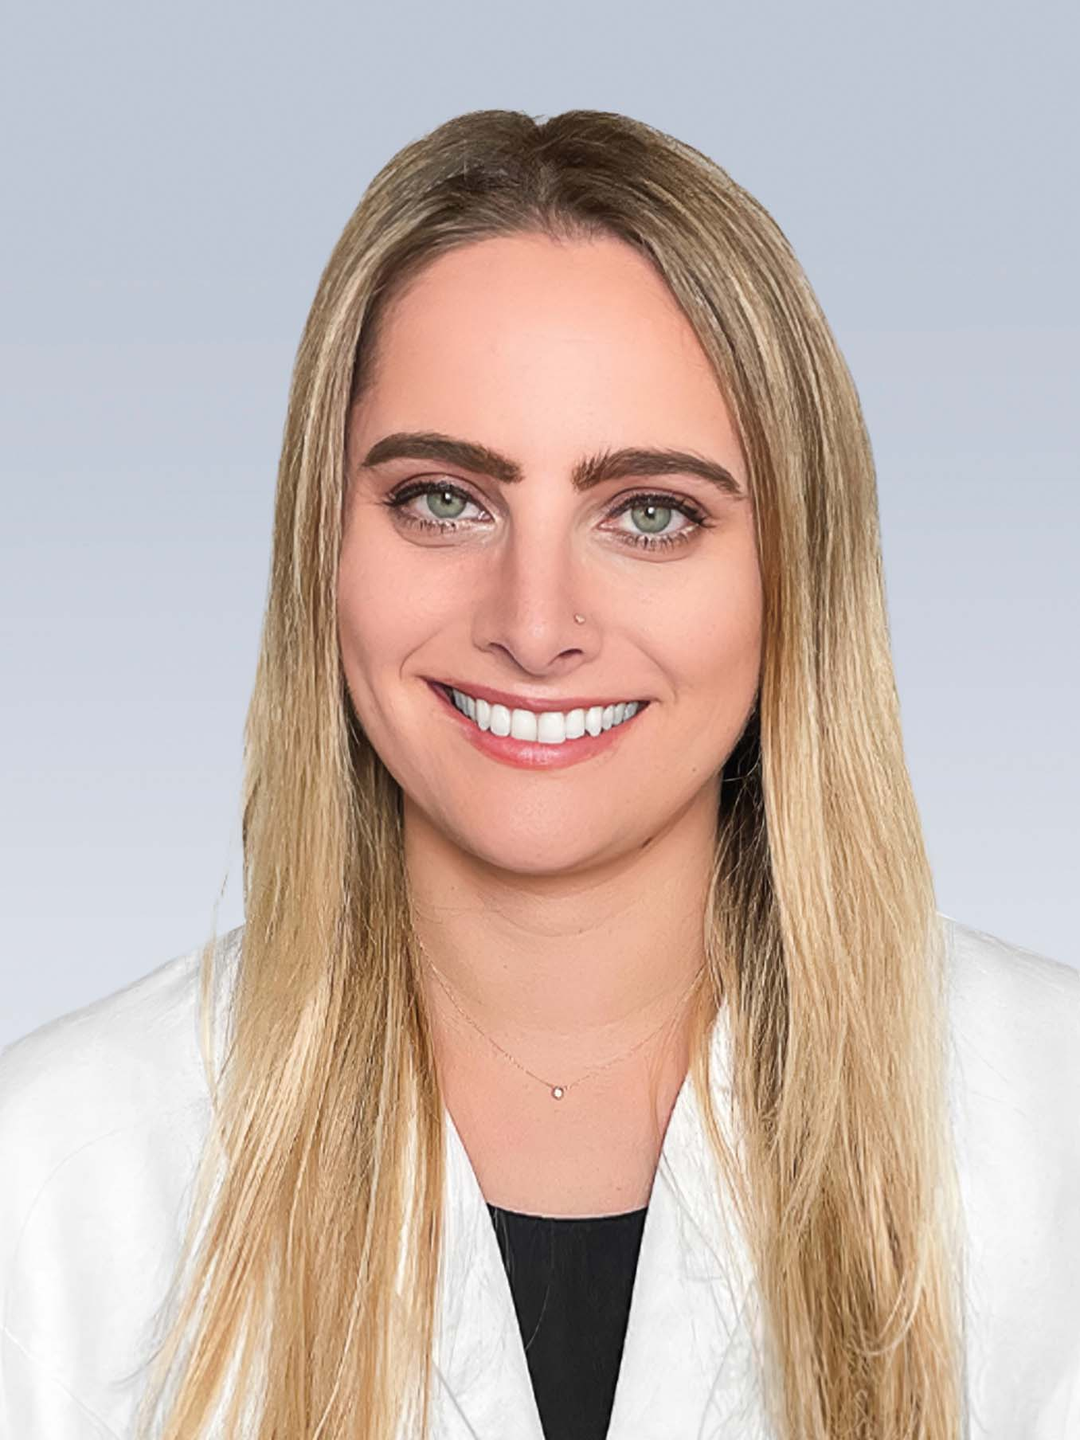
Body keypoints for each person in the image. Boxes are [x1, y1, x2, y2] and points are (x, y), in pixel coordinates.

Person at [1, 108, 1077, 1440]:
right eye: (444, 499)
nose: (533, 623)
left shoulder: (1056, 1129)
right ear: (322, 546)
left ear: (795, 571)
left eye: (651, 514)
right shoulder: (51, 1179)